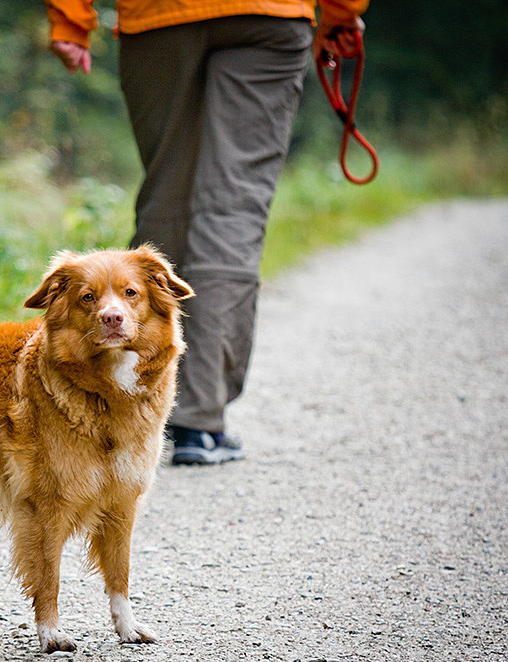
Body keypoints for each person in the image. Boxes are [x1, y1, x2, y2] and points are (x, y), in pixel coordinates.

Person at [46, 0, 369, 465]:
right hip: (269, 16)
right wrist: (341, 11)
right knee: (232, 211)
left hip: (157, 18)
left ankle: (138, 404)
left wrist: (70, 20)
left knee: (167, 197)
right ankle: (197, 420)